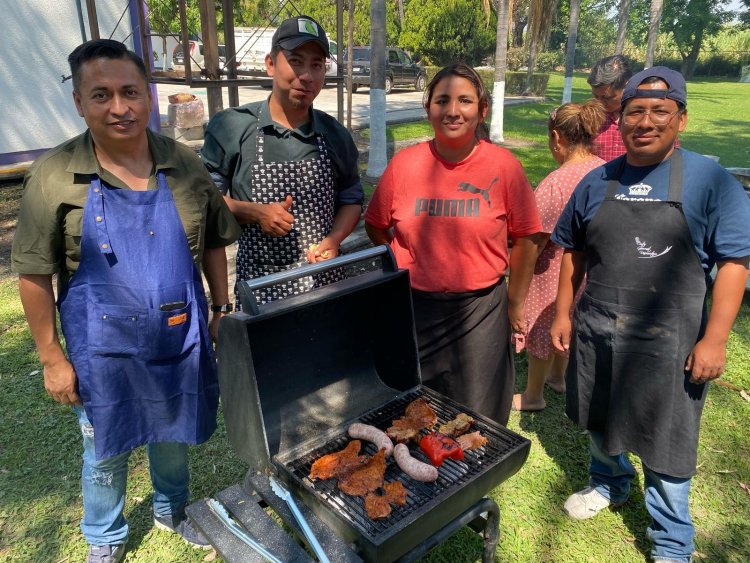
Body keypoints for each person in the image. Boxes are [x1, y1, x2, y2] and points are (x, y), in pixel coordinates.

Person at [11, 40, 241, 563]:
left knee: (172, 432)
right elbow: (32, 272)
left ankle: (172, 509)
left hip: (177, 334)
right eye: (102, 95)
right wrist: (51, 357)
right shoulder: (54, 176)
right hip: (102, 347)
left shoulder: (183, 164)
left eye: (130, 92)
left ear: (149, 96)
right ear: (78, 101)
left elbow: (212, 242)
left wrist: (221, 309)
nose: (120, 107)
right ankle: (106, 536)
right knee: (104, 448)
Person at [550, 67, 750, 563]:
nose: (645, 121)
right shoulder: (598, 181)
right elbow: (572, 251)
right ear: (621, 118)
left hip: (672, 340)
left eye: (660, 111)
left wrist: (716, 339)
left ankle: (672, 541)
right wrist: (562, 313)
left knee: (667, 439)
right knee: (600, 417)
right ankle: (610, 481)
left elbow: (734, 263)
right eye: (635, 111)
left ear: (680, 118)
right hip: (598, 327)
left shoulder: (711, 180)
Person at [364, 63, 543, 426]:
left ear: (482, 110)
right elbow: (377, 227)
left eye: (465, 100)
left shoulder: (504, 167)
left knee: (477, 417)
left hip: (480, 312)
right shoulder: (404, 165)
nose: (452, 111)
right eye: (442, 100)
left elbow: (526, 238)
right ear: (428, 108)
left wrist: (515, 302)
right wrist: (409, 260)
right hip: (415, 309)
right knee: (411, 410)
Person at [201, 15, 363, 305]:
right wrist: (254, 212)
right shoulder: (233, 128)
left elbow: (351, 199)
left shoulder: (334, 134)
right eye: (296, 61)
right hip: (262, 291)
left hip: (324, 284)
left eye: (317, 65)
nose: (307, 76)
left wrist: (334, 239)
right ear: (270, 64)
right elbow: (205, 200)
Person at [511, 100, 606, 412]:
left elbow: (535, 240)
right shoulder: (602, 170)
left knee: (542, 325)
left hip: (553, 270)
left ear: (557, 137)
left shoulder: (557, 182)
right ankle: (558, 377)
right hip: (589, 268)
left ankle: (533, 395)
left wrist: (518, 290)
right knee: (569, 320)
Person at [587, 55, 632, 161]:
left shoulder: (646, 117)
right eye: (595, 96)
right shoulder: (590, 117)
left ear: (626, 86)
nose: (599, 103)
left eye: (606, 97)